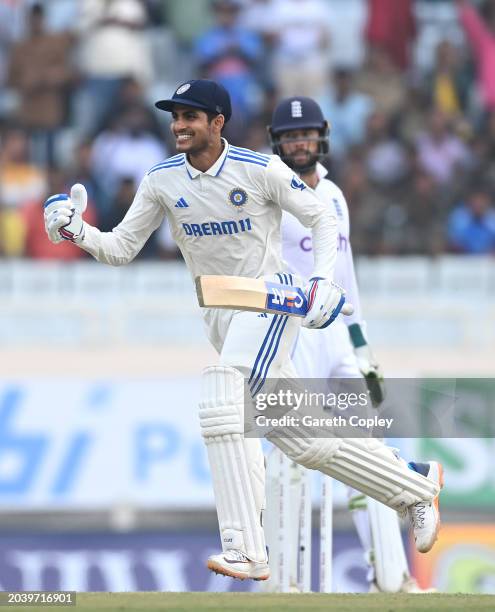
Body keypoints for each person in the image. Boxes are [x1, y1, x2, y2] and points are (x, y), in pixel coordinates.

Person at [43, 78, 443, 582]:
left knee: (221, 396)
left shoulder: (259, 169)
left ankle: (245, 548)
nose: (179, 126)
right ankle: (413, 483)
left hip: (268, 300)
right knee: (304, 441)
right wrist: (76, 230)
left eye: (190, 117)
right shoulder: (162, 179)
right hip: (222, 317)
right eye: (174, 117)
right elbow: (122, 249)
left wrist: (320, 281)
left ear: (217, 122)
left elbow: (321, 217)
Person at [266, 96, 434, 593]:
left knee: (370, 446)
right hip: (289, 335)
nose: (300, 143)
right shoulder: (267, 194)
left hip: (338, 333)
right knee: (291, 454)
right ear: (278, 142)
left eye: (307, 134)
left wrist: (363, 347)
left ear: (322, 137)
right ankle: (286, 583)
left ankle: (390, 575)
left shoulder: (335, 195)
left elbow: (346, 273)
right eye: (291, 136)